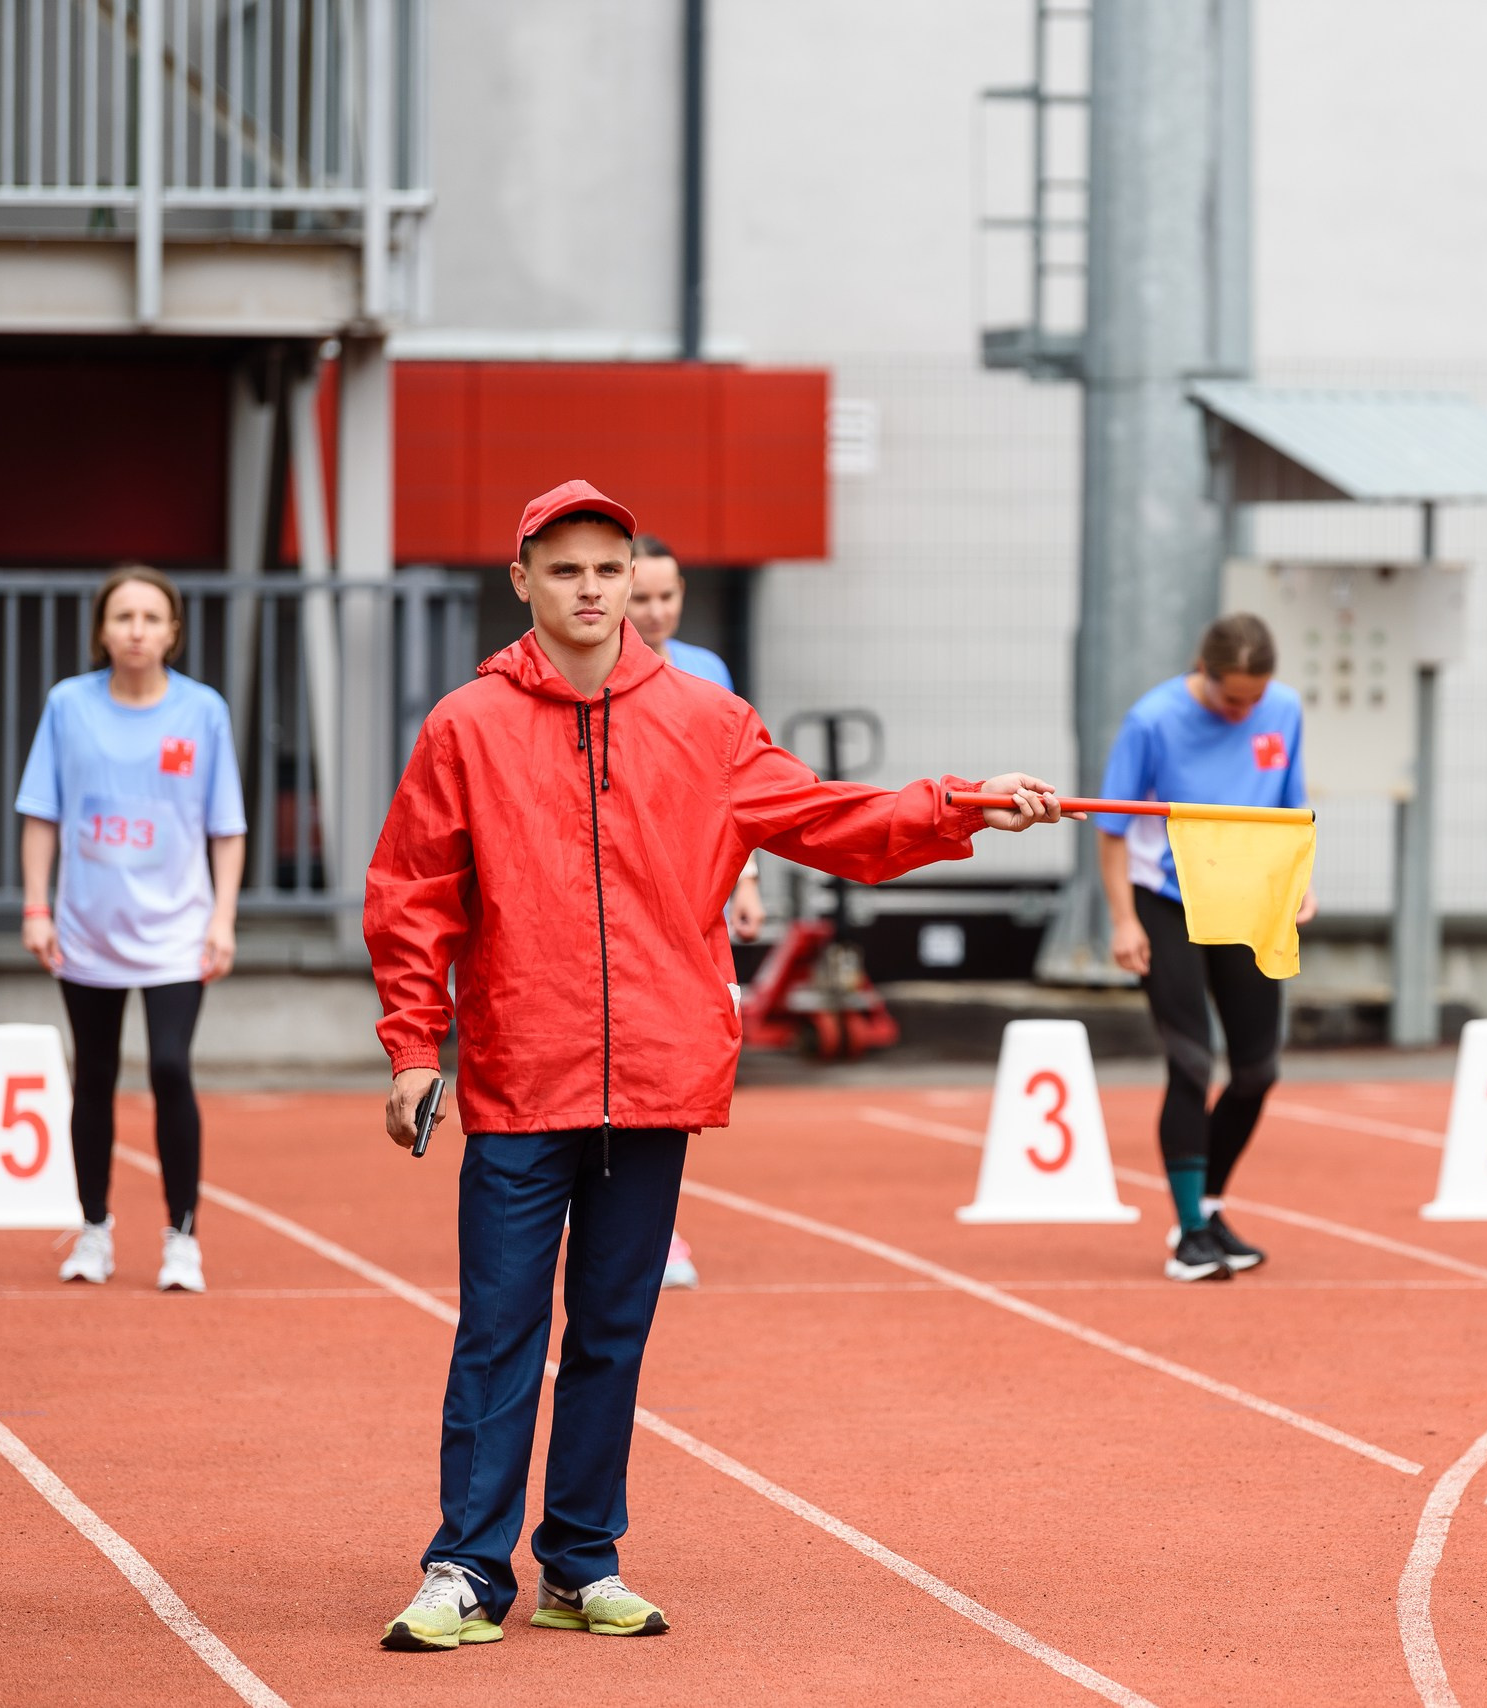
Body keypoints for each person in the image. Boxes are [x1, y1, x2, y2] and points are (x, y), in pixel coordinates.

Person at [368, 479, 1065, 1652]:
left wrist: (959, 807)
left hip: (655, 1073)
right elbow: (411, 897)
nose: (591, 592)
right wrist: (407, 1048)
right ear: (523, 581)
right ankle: (465, 1565)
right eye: (567, 570)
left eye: (609, 569)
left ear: (633, 581)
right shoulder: (464, 727)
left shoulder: (703, 720)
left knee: (611, 1329)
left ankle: (579, 1559)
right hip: (518, 1075)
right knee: (498, 1326)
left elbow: (831, 817)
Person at [15, 565, 247, 1295]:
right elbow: (42, 813)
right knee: (95, 1076)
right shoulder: (67, 706)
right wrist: (35, 906)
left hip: (177, 930)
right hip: (87, 929)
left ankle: (182, 1238)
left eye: (152, 617)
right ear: (102, 630)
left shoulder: (203, 711)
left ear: (173, 632)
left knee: (172, 1068)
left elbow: (226, 827)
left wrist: (223, 917)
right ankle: (94, 1230)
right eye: (124, 617)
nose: (137, 630)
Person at [1096, 614, 1312, 1284]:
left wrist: (1302, 888)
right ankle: (1189, 1231)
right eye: (1231, 700)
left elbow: (1291, 809)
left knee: (1258, 1070)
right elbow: (1111, 827)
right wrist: (1123, 922)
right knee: (1191, 1062)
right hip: (1166, 902)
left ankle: (1210, 1205)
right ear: (1204, 671)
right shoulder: (1151, 721)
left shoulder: (1284, 710)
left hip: (1248, 900)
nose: (1243, 711)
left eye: (1253, 699)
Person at [624, 531, 761, 1290]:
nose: (654, 611)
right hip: (626, 900)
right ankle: (624, 1222)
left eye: (666, 596)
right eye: (640, 597)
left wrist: (748, 883)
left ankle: (656, 1226)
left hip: (695, 900)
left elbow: (737, 790)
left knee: (680, 1061)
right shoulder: (595, 670)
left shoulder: (707, 673)